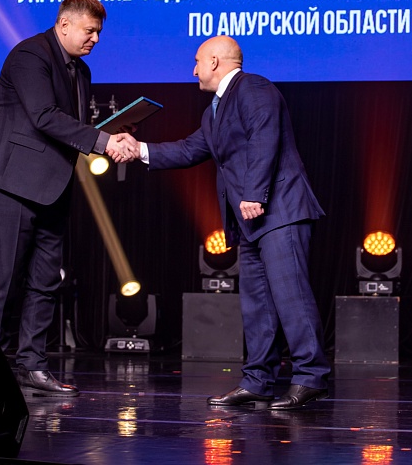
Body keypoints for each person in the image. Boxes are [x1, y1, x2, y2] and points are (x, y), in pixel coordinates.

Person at [129, 35, 330, 409]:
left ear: (215, 62)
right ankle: (258, 380)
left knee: (291, 296)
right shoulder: (213, 113)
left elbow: (265, 135)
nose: (193, 70)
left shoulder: (252, 87)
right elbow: (189, 149)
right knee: (257, 305)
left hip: (279, 211)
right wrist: (138, 149)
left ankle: (311, 377)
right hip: (251, 221)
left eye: (197, 62)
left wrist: (254, 193)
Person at [0, 0, 132, 396]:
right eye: (89, 30)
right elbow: (43, 116)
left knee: (45, 280)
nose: (95, 39)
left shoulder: (81, 71)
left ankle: (33, 366)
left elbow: (71, 126)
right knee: (4, 278)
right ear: (64, 24)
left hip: (51, 187)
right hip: (9, 182)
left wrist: (114, 133)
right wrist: (102, 141)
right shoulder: (30, 55)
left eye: (99, 32)